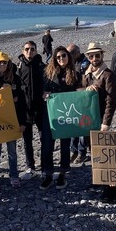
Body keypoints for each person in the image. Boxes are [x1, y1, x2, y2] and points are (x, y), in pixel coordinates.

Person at [40, 46, 82, 190]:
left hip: (67, 114)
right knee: (47, 145)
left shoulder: (75, 74)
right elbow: (42, 91)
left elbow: (80, 92)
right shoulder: (48, 73)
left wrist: (84, 90)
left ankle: (63, 173)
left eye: (63, 56)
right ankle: (49, 174)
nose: (61, 59)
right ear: (54, 59)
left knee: (65, 145)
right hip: (50, 115)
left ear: (68, 57)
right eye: (58, 57)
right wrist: (44, 94)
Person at [0, 52, 26, 195]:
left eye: (5, 62)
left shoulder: (16, 77)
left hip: (11, 121)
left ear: (8, 63)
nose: (2, 65)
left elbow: (22, 101)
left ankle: (14, 176)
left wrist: (23, 122)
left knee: (12, 152)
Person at [79, 43, 116, 162]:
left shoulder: (109, 75)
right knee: (92, 146)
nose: (94, 59)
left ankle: (101, 173)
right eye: (91, 56)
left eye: (97, 55)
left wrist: (106, 123)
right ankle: (96, 173)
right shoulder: (87, 73)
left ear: (101, 55)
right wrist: (86, 89)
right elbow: (78, 89)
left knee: (100, 148)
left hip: (100, 117)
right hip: (88, 117)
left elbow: (111, 101)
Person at [17, 41, 45, 180]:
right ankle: (30, 167)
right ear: (23, 51)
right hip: (25, 110)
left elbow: (49, 82)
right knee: (27, 141)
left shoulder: (41, 66)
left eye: (32, 49)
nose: (29, 52)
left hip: (40, 109)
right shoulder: (18, 67)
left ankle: (45, 166)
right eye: (27, 49)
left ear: (36, 51)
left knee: (43, 138)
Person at [67, 44, 91, 163]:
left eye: (70, 53)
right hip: (73, 99)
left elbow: (85, 82)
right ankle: (74, 150)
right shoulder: (72, 63)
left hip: (83, 99)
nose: (68, 56)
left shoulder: (85, 64)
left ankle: (82, 152)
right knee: (73, 126)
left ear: (76, 52)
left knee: (82, 127)